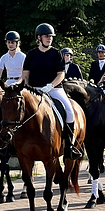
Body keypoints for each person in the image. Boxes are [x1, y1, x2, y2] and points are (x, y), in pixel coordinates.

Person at [22, 23, 82, 159]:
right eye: (46, 36)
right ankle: (15, 144)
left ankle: (69, 146)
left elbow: (61, 74)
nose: (49, 39)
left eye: (51, 36)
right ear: (39, 37)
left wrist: (50, 86)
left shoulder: (57, 54)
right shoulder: (31, 55)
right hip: (34, 90)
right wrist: (24, 88)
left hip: (54, 89)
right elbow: (25, 75)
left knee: (69, 112)